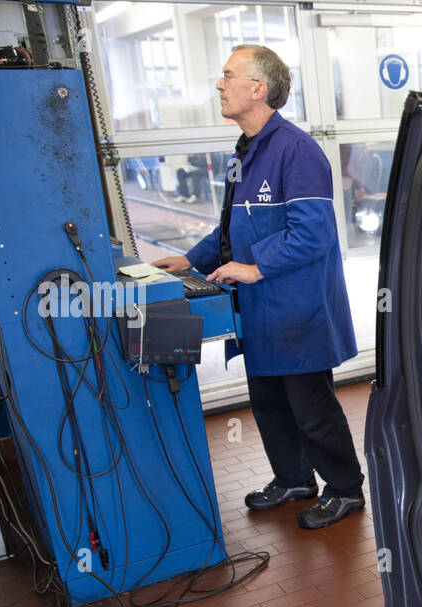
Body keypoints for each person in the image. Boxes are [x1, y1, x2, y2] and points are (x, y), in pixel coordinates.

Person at [153, 45, 365, 530]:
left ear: (258, 89)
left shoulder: (297, 150)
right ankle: (293, 478)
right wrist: (191, 259)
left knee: (311, 408)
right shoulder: (245, 152)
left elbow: (314, 233)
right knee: (268, 401)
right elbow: (231, 227)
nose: (219, 85)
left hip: (296, 307)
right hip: (259, 309)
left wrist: (253, 268)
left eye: (228, 76)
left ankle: (346, 489)